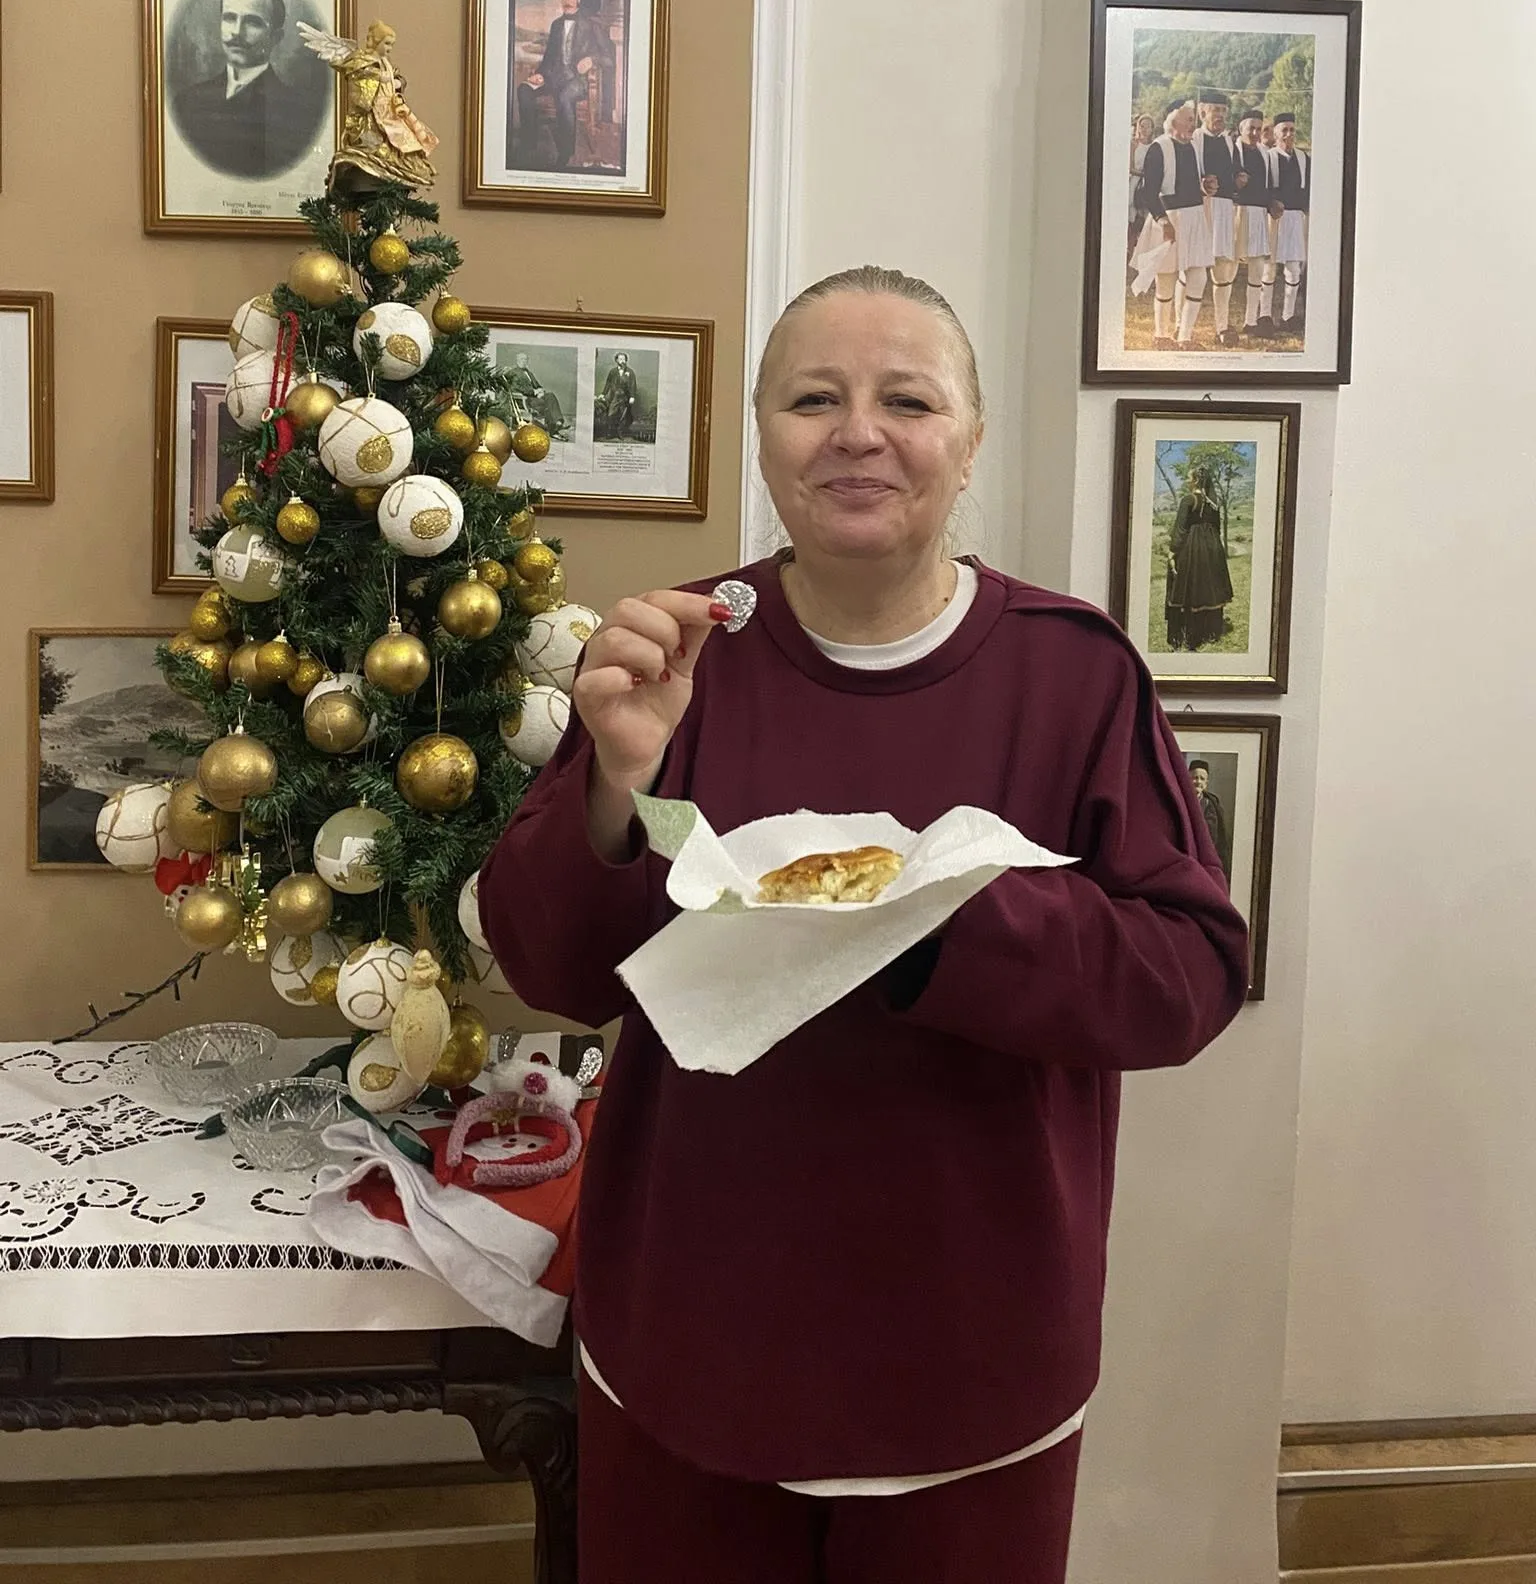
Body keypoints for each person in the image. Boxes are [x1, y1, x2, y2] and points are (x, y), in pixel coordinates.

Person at [480, 265, 1248, 1584]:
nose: (858, 434)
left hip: (974, 1350)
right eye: (813, 399)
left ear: (971, 440)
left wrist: (931, 916)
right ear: (762, 436)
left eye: (908, 400)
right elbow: (550, 964)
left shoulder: (1073, 672)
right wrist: (617, 781)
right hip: (691, 1334)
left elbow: (1188, 975)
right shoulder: (676, 655)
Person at [172, 0, 320, 179]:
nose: (236, 32)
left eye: (252, 22)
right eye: (229, 18)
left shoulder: (299, 113)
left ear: (275, 37)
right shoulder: (186, 102)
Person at [1131, 103, 1213, 349]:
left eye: (1192, 119)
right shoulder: (1159, 148)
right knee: (1166, 279)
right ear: (1173, 122)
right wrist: (1163, 220)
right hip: (1168, 219)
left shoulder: (1194, 147)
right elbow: (1149, 192)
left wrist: (1205, 186)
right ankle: (1161, 336)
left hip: (1195, 218)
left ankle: (1185, 336)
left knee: (1198, 277)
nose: (1192, 124)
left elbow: (1191, 183)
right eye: (1188, 119)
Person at [514, 0, 615, 171]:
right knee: (524, 89)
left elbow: (609, 58)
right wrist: (539, 74)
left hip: (578, 80)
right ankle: (529, 142)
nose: (566, 1)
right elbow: (549, 57)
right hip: (553, 77)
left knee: (564, 96)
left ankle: (566, 152)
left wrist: (592, 60)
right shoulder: (556, 25)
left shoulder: (591, 25)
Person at [1164, 462, 1234, 652]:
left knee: (1189, 590)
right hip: (1213, 551)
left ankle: (1186, 637)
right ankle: (1209, 632)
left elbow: (1180, 529)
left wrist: (1172, 551)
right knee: (1207, 590)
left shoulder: (1188, 500)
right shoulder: (1213, 504)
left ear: (1195, 481)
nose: (1186, 480)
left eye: (1188, 477)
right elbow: (1217, 529)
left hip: (1192, 549)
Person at [1193, 91, 1243, 347]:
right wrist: (1200, 184)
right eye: (1215, 110)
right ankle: (1182, 327)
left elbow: (1235, 172)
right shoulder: (1194, 139)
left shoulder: (1229, 142)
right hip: (1199, 208)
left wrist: (1239, 178)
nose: (1220, 115)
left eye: (1223, 111)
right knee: (1193, 268)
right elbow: (1183, 174)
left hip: (1224, 209)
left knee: (1223, 268)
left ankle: (1222, 327)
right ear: (1203, 111)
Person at [1233, 107, 1279, 337]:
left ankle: (1250, 321)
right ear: (1241, 128)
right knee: (1228, 269)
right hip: (1237, 213)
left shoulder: (1264, 153)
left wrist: (1272, 203)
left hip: (1259, 214)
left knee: (1257, 269)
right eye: (1250, 128)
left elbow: (1268, 186)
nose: (1254, 133)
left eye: (1258, 129)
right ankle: (1223, 325)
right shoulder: (1233, 150)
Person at [1269, 111, 1311, 328]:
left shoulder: (1303, 158)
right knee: (1268, 268)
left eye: (1292, 130)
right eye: (1284, 130)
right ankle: (1263, 316)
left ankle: (1288, 316)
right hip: (1273, 218)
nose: (1288, 134)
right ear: (1276, 134)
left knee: (1293, 269)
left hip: (1295, 217)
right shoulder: (1269, 157)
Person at [1186, 758, 1232, 879]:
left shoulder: (1209, 804)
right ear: (1187, 779)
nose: (1198, 782)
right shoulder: (1182, 800)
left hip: (1204, 851)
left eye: (1202, 779)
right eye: (1195, 777)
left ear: (1206, 783)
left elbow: (1212, 832)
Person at [1128, 111, 1157, 260]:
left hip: (1149, 183)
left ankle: (1145, 253)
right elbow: (1130, 167)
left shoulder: (1154, 146)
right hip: (1136, 182)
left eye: (1148, 126)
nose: (1145, 129)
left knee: (1147, 219)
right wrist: (1144, 174)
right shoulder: (1133, 144)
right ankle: (1130, 251)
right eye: (1142, 126)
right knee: (1132, 217)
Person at [596, 351, 639, 439]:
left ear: (626, 360)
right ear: (616, 360)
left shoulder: (630, 372)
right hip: (614, 397)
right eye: (620, 359)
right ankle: (610, 433)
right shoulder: (612, 372)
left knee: (623, 416)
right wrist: (603, 394)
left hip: (625, 397)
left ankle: (620, 433)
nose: (622, 361)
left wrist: (632, 396)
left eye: (624, 359)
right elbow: (608, 384)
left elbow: (633, 385)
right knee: (610, 414)